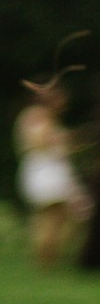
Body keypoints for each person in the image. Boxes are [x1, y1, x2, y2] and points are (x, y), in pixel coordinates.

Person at [17, 71, 89, 268]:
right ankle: (45, 260)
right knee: (54, 217)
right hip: (46, 172)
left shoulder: (45, 118)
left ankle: (49, 258)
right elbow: (40, 142)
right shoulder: (37, 116)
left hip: (51, 171)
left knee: (64, 217)